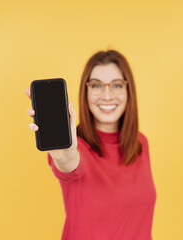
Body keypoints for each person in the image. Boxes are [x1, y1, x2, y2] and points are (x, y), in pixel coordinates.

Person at [25, 50, 156, 240]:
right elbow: (70, 163)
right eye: (96, 86)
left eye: (117, 85)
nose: (107, 95)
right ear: (85, 92)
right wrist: (67, 153)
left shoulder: (140, 143)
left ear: (128, 91)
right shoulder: (76, 146)